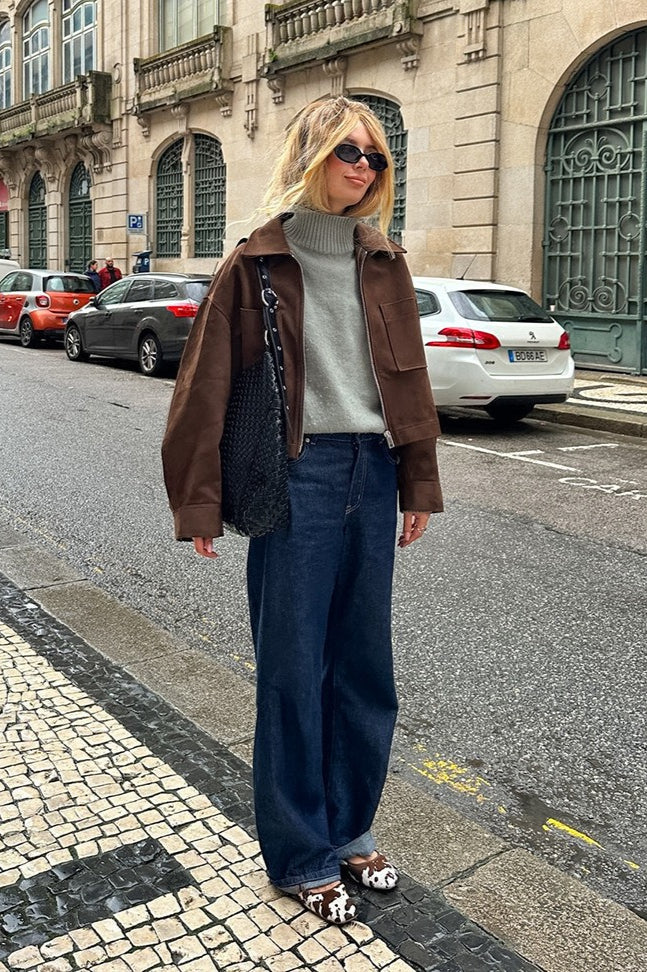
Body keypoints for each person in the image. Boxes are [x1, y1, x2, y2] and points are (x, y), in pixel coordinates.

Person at [162, 96, 443, 925]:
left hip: (372, 469)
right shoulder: (256, 260)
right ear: (311, 152)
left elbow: (407, 380)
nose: (362, 167)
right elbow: (202, 388)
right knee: (292, 674)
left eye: (376, 158)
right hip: (298, 478)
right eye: (349, 151)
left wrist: (417, 481)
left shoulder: (382, 258)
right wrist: (199, 502)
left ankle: (350, 830)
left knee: (364, 673)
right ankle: (299, 854)